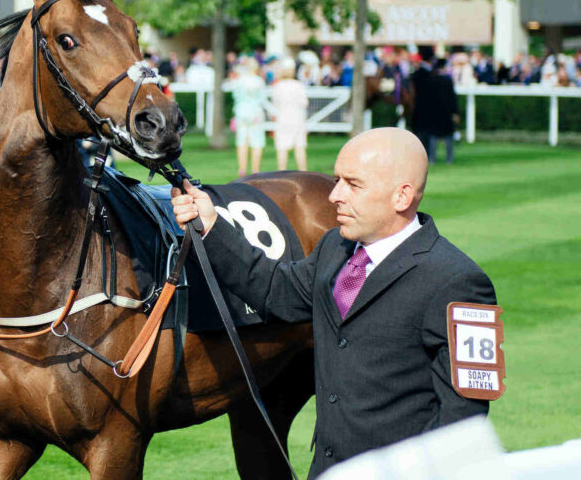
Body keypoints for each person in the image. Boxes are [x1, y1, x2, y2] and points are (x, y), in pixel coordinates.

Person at [170, 128, 496, 478]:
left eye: (353, 184)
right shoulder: (333, 249)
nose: (334, 195)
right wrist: (212, 226)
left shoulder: (459, 281)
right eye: (337, 179)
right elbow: (273, 290)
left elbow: (463, 419)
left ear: (401, 196)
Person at [231, 58, 268, 176]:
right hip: (255, 112)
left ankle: (242, 168)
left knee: (242, 140)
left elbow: (235, 96)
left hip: (241, 112)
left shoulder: (239, 80)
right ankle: (255, 169)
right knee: (257, 141)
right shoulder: (259, 81)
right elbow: (262, 99)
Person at [271, 57, 309, 171]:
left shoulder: (278, 86)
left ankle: (282, 172)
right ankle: (304, 173)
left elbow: (275, 102)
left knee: (282, 148)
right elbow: (304, 102)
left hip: (283, 119)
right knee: (299, 148)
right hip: (297, 118)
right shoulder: (298, 85)